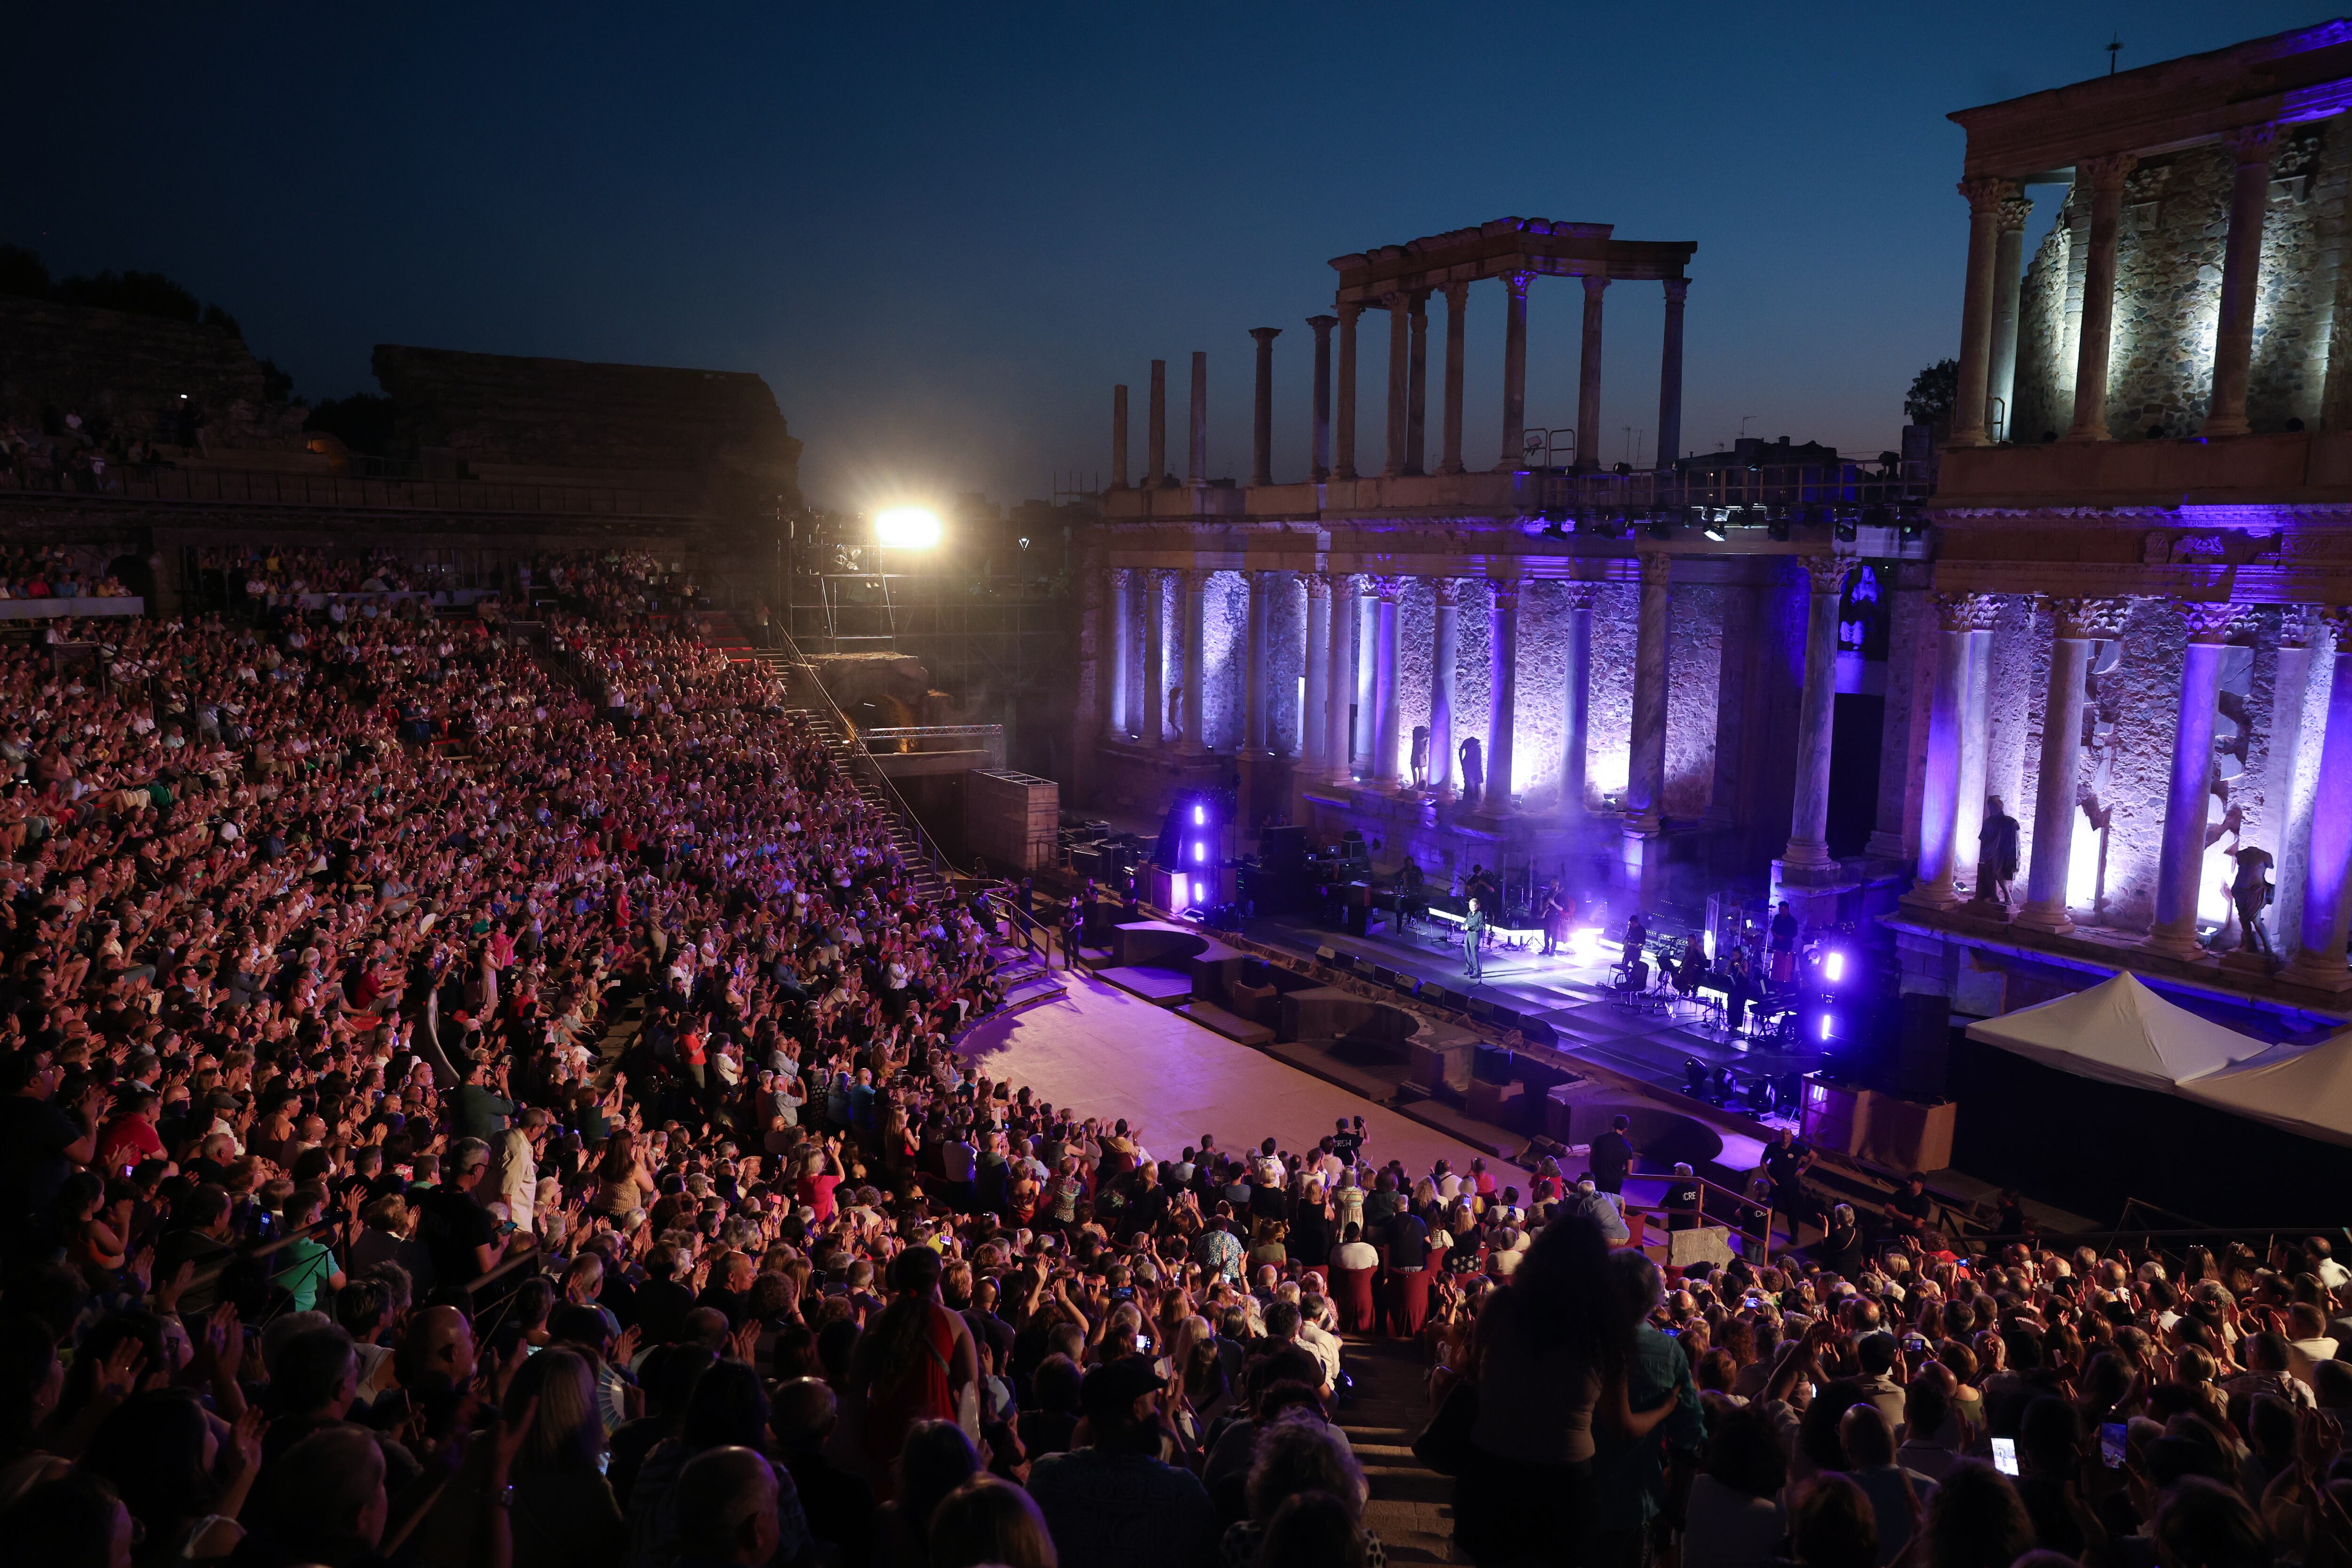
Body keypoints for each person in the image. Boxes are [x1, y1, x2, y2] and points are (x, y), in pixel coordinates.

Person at [1027, 1357, 1217, 1568]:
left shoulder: (1046, 1475)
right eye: (1152, 1402)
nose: (1155, 1411)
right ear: (1137, 1409)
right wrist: (1166, 1418)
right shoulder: (1180, 1490)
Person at [1977, 797, 2021, 907]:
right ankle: (1994, 895)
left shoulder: (2007, 821)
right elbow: (1983, 838)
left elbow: (2015, 836)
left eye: (1995, 807)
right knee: (1991, 872)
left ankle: (2007, 895)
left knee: (1998, 872)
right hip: (1990, 852)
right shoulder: (1988, 822)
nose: (1992, 809)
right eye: (1991, 807)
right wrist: (1984, 852)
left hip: (2002, 852)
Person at [1588, 1115, 1634, 1196]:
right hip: (1615, 1181)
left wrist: (1593, 1172)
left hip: (1599, 1177)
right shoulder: (1628, 1146)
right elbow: (1629, 1171)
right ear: (1625, 1129)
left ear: (1613, 1124)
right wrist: (1618, 1173)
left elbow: (1592, 1158)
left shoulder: (1599, 1139)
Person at [1462, 896, 1488, 981]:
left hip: (1475, 935)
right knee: (1467, 951)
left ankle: (1477, 972)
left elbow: (1482, 925)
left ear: (1477, 906)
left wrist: (1472, 928)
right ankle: (1470, 969)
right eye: (1471, 906)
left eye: (1474, 906)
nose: (1472, 908)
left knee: (1474, 953)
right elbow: (1466, 922)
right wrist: (1464, 926)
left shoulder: (1480, 914)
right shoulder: (1469, 914)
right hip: (1469, 934)